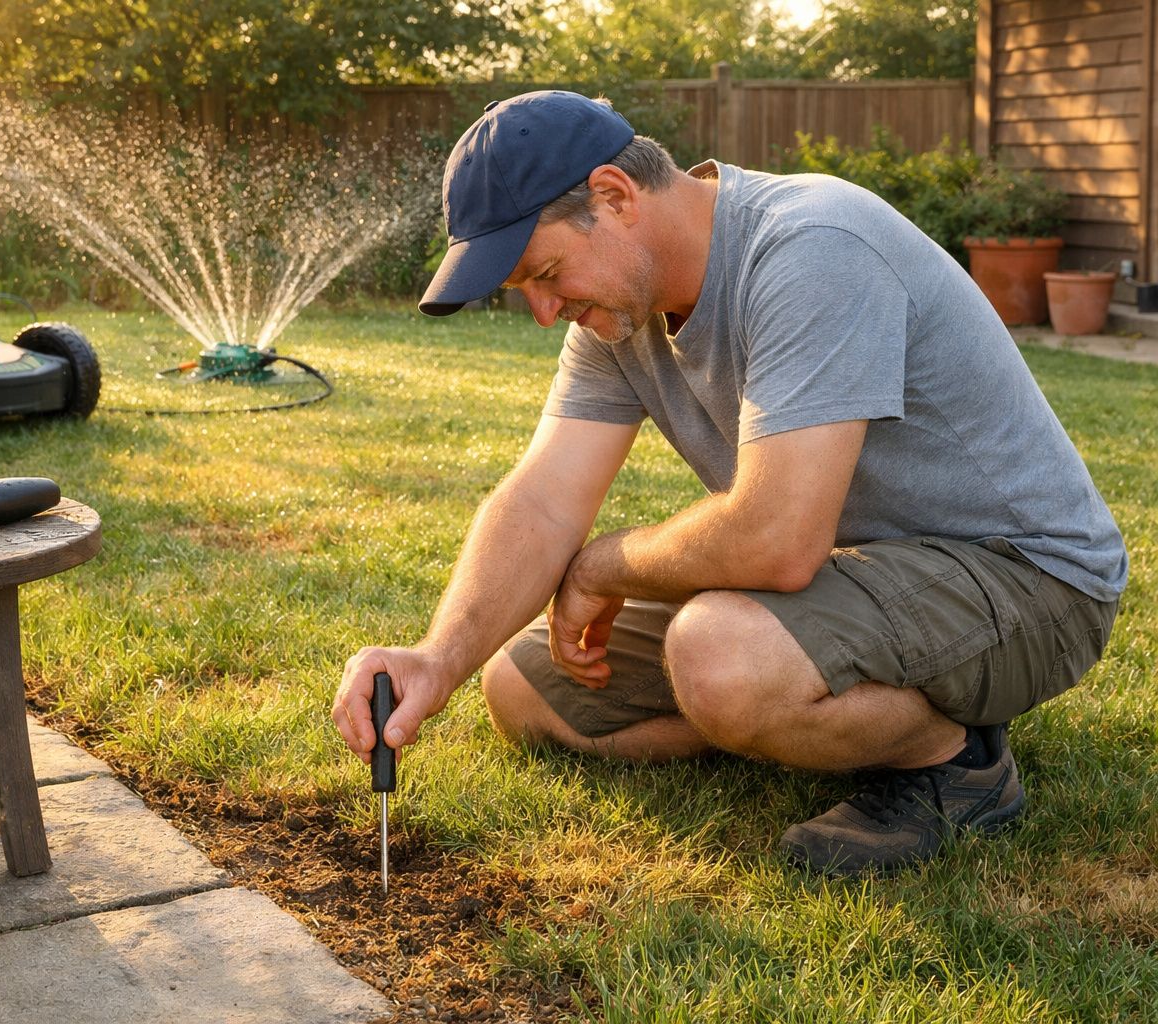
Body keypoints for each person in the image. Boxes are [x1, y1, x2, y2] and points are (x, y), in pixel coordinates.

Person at [331, 90, 1127, 875]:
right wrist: (437, 658)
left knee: (718, 652)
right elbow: (541, 499)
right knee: (526, 687)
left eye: (544, 273)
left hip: (1025, 581)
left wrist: (603, 564)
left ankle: (956, 761)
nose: (544, 311)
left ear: (612, 197)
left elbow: (778, 541)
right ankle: (790, 711)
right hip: (862, 578)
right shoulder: (618, 314)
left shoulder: (811, 247)